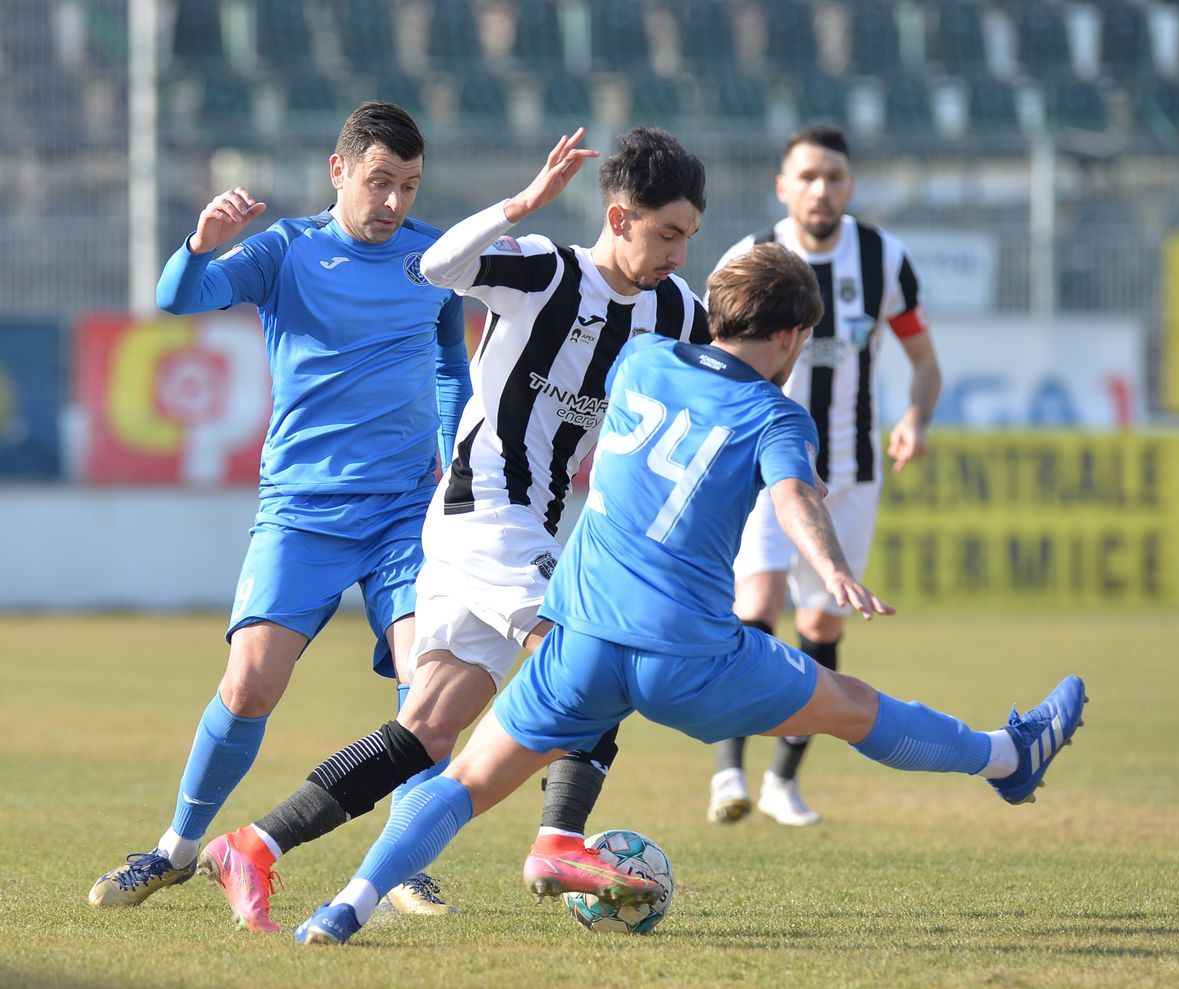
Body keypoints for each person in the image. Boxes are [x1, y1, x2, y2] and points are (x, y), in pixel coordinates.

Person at [291, 241, 1086, 945]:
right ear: (791, 337)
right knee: (852, 704)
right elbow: (794, 499)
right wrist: (834, 566)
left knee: (463, 784)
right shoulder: (777, 416)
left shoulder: (641, 362)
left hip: (584, 646)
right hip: (693, 660)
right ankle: (1008, 756)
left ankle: (345, 908)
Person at [194, 126, 711, 932]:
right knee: (592, 650)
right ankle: (559, 840)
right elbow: (437, 267)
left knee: (430, 728)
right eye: (667, 234)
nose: (679, 253)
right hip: (486, 509)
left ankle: (256, 844)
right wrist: (522, 203)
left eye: (690, 237)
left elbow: (729, 372)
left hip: (529, 524)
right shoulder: (546, 267)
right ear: (617, 218)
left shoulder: (678, 310)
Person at [87, 101, 471, 916]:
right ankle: (175, 851)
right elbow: (176, 300)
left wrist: (453, 456)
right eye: (379, 182)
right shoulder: (284, 250)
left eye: (408, 185)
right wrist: (200, 246)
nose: (395, 201)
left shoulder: (432, 259)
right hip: (302, 510)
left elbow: (449, 364)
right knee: (251, 684)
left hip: (406, 511)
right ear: (339, 171)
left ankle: (399, 864)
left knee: (428, 683)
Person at [706, 125, 943, 828]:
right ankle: (727, 773)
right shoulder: (747, 257)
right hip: (761, 466)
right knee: (759, 603)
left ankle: (782, 779)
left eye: (834, 176)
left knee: (819, 621)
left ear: (851, 185)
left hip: (850, 469)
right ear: (783, 186)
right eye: (807, 176)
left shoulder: (882, 257)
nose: (821, 188)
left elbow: (925, 362)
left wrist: (916, 418)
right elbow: (708, 360)